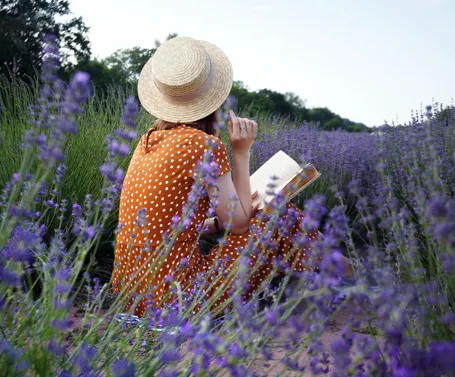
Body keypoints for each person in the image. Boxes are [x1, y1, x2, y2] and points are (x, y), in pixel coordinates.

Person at [111, 37, 353, 319]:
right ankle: (347, 278)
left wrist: (213, 224)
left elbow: (162, 223)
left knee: (267, 216)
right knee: (282, 214)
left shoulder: (147, 141)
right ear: (214, 97)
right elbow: (237, 223)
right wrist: (241, 151)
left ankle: (330, 278)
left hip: (133, 297)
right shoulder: (203, 146)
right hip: (179, 300)